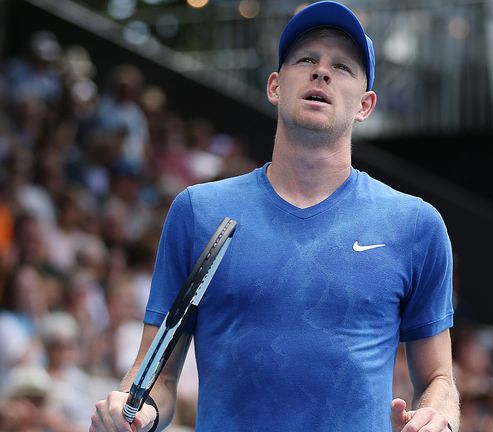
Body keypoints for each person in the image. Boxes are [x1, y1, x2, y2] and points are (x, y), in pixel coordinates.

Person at [90, 2, 459, 431]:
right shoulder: (198, 212)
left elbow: (439, 378)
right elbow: (159, 375)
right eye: (306, 60)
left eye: (342, 67)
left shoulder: (415, 225)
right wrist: (133, 412)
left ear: (365, 105)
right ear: (274, 86)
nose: (321, 73)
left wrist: (440, 417)